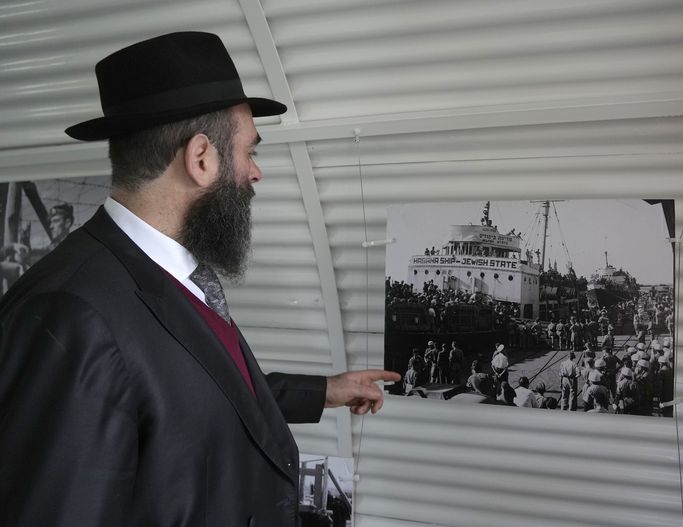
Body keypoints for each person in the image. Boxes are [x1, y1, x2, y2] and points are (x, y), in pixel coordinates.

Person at [0, 32, 399, 527]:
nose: (256, 173)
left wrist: (325, 391)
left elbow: (189, 394)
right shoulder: (72, 314)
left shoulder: (170, 271)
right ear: (201, 157)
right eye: (250, 151)